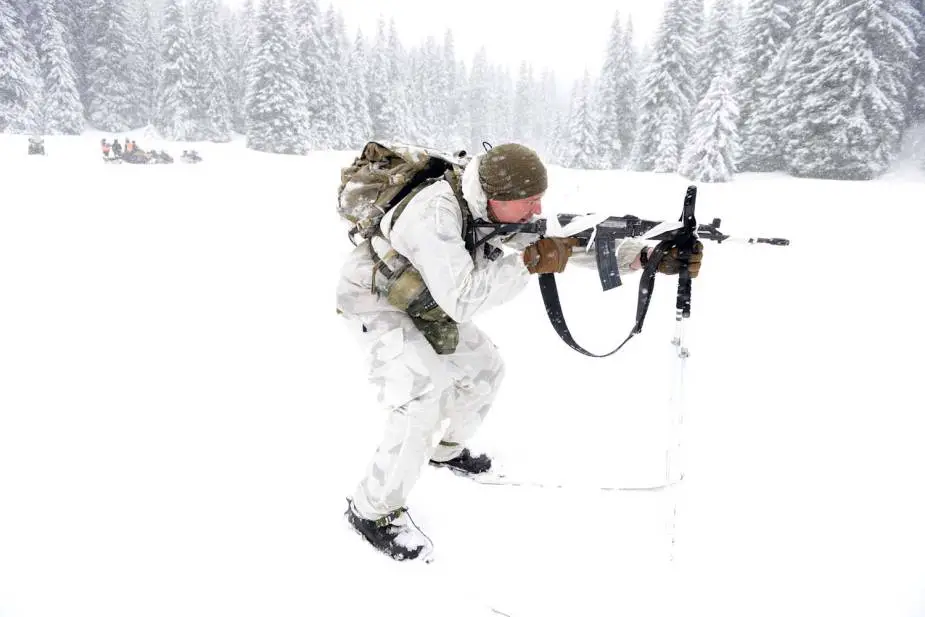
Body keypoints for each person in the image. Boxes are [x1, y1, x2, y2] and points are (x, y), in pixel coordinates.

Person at [335, 143, 703, 562]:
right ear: (497, 197)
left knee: (486, 370)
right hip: (376, 300)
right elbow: (464, 299)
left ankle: (445, 450)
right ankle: (372, 512)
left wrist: (644, 257)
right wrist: (527, 264)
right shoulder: (433, 215)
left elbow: (558, 243)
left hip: (426, 297)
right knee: (422, 397)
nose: (537, 209)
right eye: (529, 201)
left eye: (539, 198)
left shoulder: (491, 206)